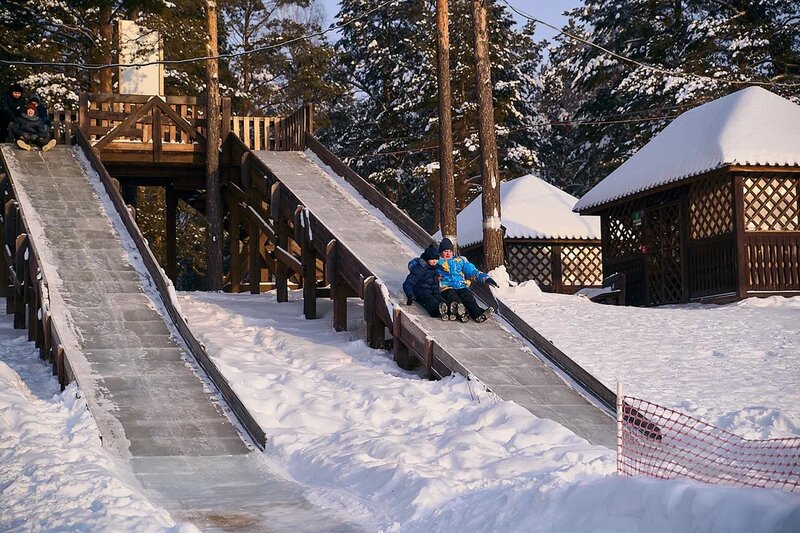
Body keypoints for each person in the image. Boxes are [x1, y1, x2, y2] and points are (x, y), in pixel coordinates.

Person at [436, 238, 499, 323]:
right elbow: (425, 268)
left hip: (461, 285)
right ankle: (461, 312)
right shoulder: (437, 262)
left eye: (450, 251)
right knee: (454, 299)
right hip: (446, 287)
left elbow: (472, 271)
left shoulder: (460, 261)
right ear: (440, 252)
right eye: (445, 251)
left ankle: (478, 314)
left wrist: (485, 278)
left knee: (468, 297)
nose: (448, 253)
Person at [402, 244, 456, 321]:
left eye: (436, 259)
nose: (434, 261)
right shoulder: (420, 268)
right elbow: (408, 283)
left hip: (434, 291)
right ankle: (438, 311)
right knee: (430, 301)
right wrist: (410, 295)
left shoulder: (436, 267)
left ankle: (449, 309)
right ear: (427, 259)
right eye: (432, 259)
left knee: (441, 300)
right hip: (421, 291)